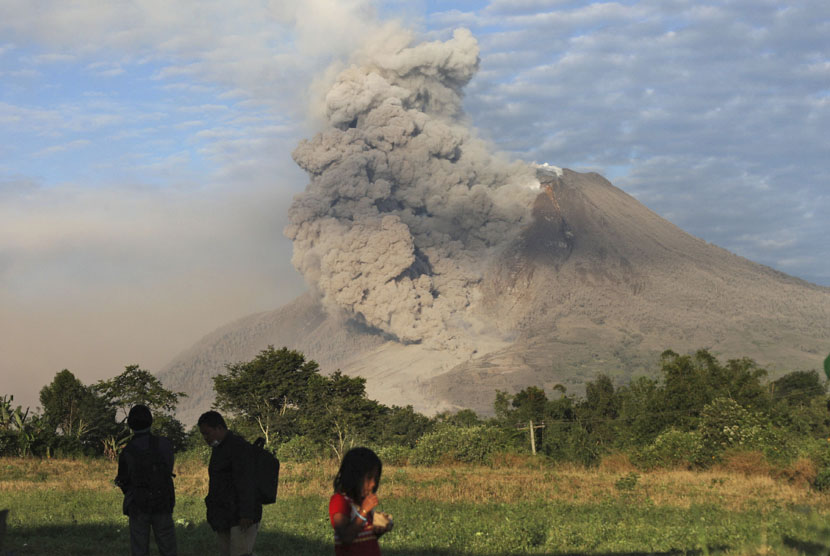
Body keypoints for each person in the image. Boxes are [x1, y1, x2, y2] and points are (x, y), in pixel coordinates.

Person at [115, 404, 177, 556]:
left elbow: (123, 480)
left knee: (139, 548)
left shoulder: (127, 451)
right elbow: (169, 468)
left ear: (130, 424)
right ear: (151, 421)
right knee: (168, 547)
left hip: (138, 504)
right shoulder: (165, 444)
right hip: (163, 501)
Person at [198, 410, 261, 556]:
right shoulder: (219, 449)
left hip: (241, 516)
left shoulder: (239, 448)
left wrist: (247, 513)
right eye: (203, 434)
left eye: (208, 433)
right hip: (225, 515)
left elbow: (247, 482)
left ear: (219, 428)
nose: (205, 438)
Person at [329, 447, 393, 556]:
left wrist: (378, 531)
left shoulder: (361, 503)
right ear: (353, 477)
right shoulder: (339, 501)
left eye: (376, 478)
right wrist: (363, 511)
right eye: (369, 478)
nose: (373, 483)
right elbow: (346, 537)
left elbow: (362, 537)